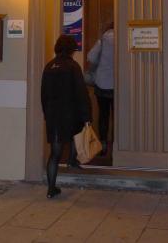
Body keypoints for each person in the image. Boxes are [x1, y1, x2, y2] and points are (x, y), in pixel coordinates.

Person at [41, 34, 91, 199]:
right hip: (71, 113)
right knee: (76, 133)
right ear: (71, 49)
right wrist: (86, 115)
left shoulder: (49, 66)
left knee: (55, 153)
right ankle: (72, 160)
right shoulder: (73, 66)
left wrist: (47, 113)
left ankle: (51, 189)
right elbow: (81, 93)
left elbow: (43, 94)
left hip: (53, 114)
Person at [87, 22, 114, 156]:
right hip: (118, 85)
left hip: (102, 83)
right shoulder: (124, 39)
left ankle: (103, 145)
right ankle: (117, 146)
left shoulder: (102, 40)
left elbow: (91, 57)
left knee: (103, 115)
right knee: (118, 117)